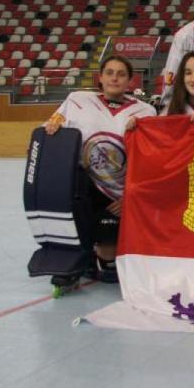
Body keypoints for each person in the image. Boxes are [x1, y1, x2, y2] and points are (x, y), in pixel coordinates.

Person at [43, 55, 156, 282]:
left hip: (118, 193)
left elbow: (150, 162)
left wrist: (130, 197)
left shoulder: (146, 111)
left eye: (121, 74)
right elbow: (51, 129)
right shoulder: (77, 100)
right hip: (83, 186)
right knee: (76, 214)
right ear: (101, 77)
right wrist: (51, 126)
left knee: (109, 270)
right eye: (110, 73)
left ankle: (102, 252)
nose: (115, 78)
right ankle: (79, 255)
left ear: (130, 81)